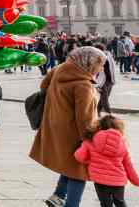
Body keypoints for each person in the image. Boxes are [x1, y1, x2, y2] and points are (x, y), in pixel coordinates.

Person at [31, 46, 105, 207]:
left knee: (70, 165)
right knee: (80, 171)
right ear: (89, 63)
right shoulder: (83, 86)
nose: (101, 68)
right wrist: (90, 139)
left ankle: (58, 195)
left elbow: (43, 86)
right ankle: (71, 204)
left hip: (55, 126)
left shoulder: (59, 70)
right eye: (100, 64)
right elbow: (84, 118)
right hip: (75, 133)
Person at [73, 115, 139, 207]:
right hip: (118, 181)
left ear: (99, 126)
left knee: (105, 204)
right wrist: (138, 182)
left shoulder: (90, 141)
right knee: (120, 202)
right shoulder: (122, 145)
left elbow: (79, 157)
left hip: (100, 180)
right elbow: (129, 167)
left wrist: (90, 161)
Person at [95, 43, 117, 115]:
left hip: (108, 80)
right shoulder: (107, 55)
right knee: (104, 98)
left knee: (104, 98)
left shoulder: (104, 56)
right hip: (103, 81)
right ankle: (110, 114)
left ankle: (97, 112)